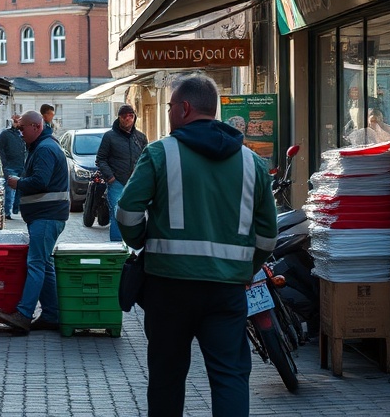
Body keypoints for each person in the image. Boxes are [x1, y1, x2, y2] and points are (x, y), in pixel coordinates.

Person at [117, 75, 277, 417]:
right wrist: (246, 269)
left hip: (169, 287)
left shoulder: (161, 153)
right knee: (230, 375)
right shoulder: (253, 163)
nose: (170, 111)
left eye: (170, 106)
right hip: (227, 291)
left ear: (184, 109)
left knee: (167, 376)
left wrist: (144, 243)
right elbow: (267, 236)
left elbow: (128, 213)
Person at [0, 110, 69, 334]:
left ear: (36, 126)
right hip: (46, 216)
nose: (20, 133)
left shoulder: (45, 149)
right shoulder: (44, 146)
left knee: (35, 264)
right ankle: (52, 315)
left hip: (47, 216)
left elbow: (40, 181)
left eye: (23, 128)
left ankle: (23, 314)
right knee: (44, 266)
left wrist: (18, 183)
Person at [95, 104, 148, 242]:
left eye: (131, 116)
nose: (128, 119)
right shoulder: (109, 137)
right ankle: (117, 248)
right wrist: (110, 177)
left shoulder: (140, 137)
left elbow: (146, 159)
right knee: (117, 214)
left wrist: (143, 178)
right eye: (125, 116)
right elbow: (101, 159)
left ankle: (134, 247)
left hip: (135, 183)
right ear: (119, 118)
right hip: (117, 182)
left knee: (136, 214)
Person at [0, 116, 27, 219]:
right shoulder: (6, 134)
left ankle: (15, 209)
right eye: (17, 121)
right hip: (11, 165)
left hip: (21, 165)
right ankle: (7, 212)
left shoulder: (22, 134)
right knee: (10, 189)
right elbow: (0, 149)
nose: (18, 123)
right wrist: (5, 163)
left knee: (19, 189)